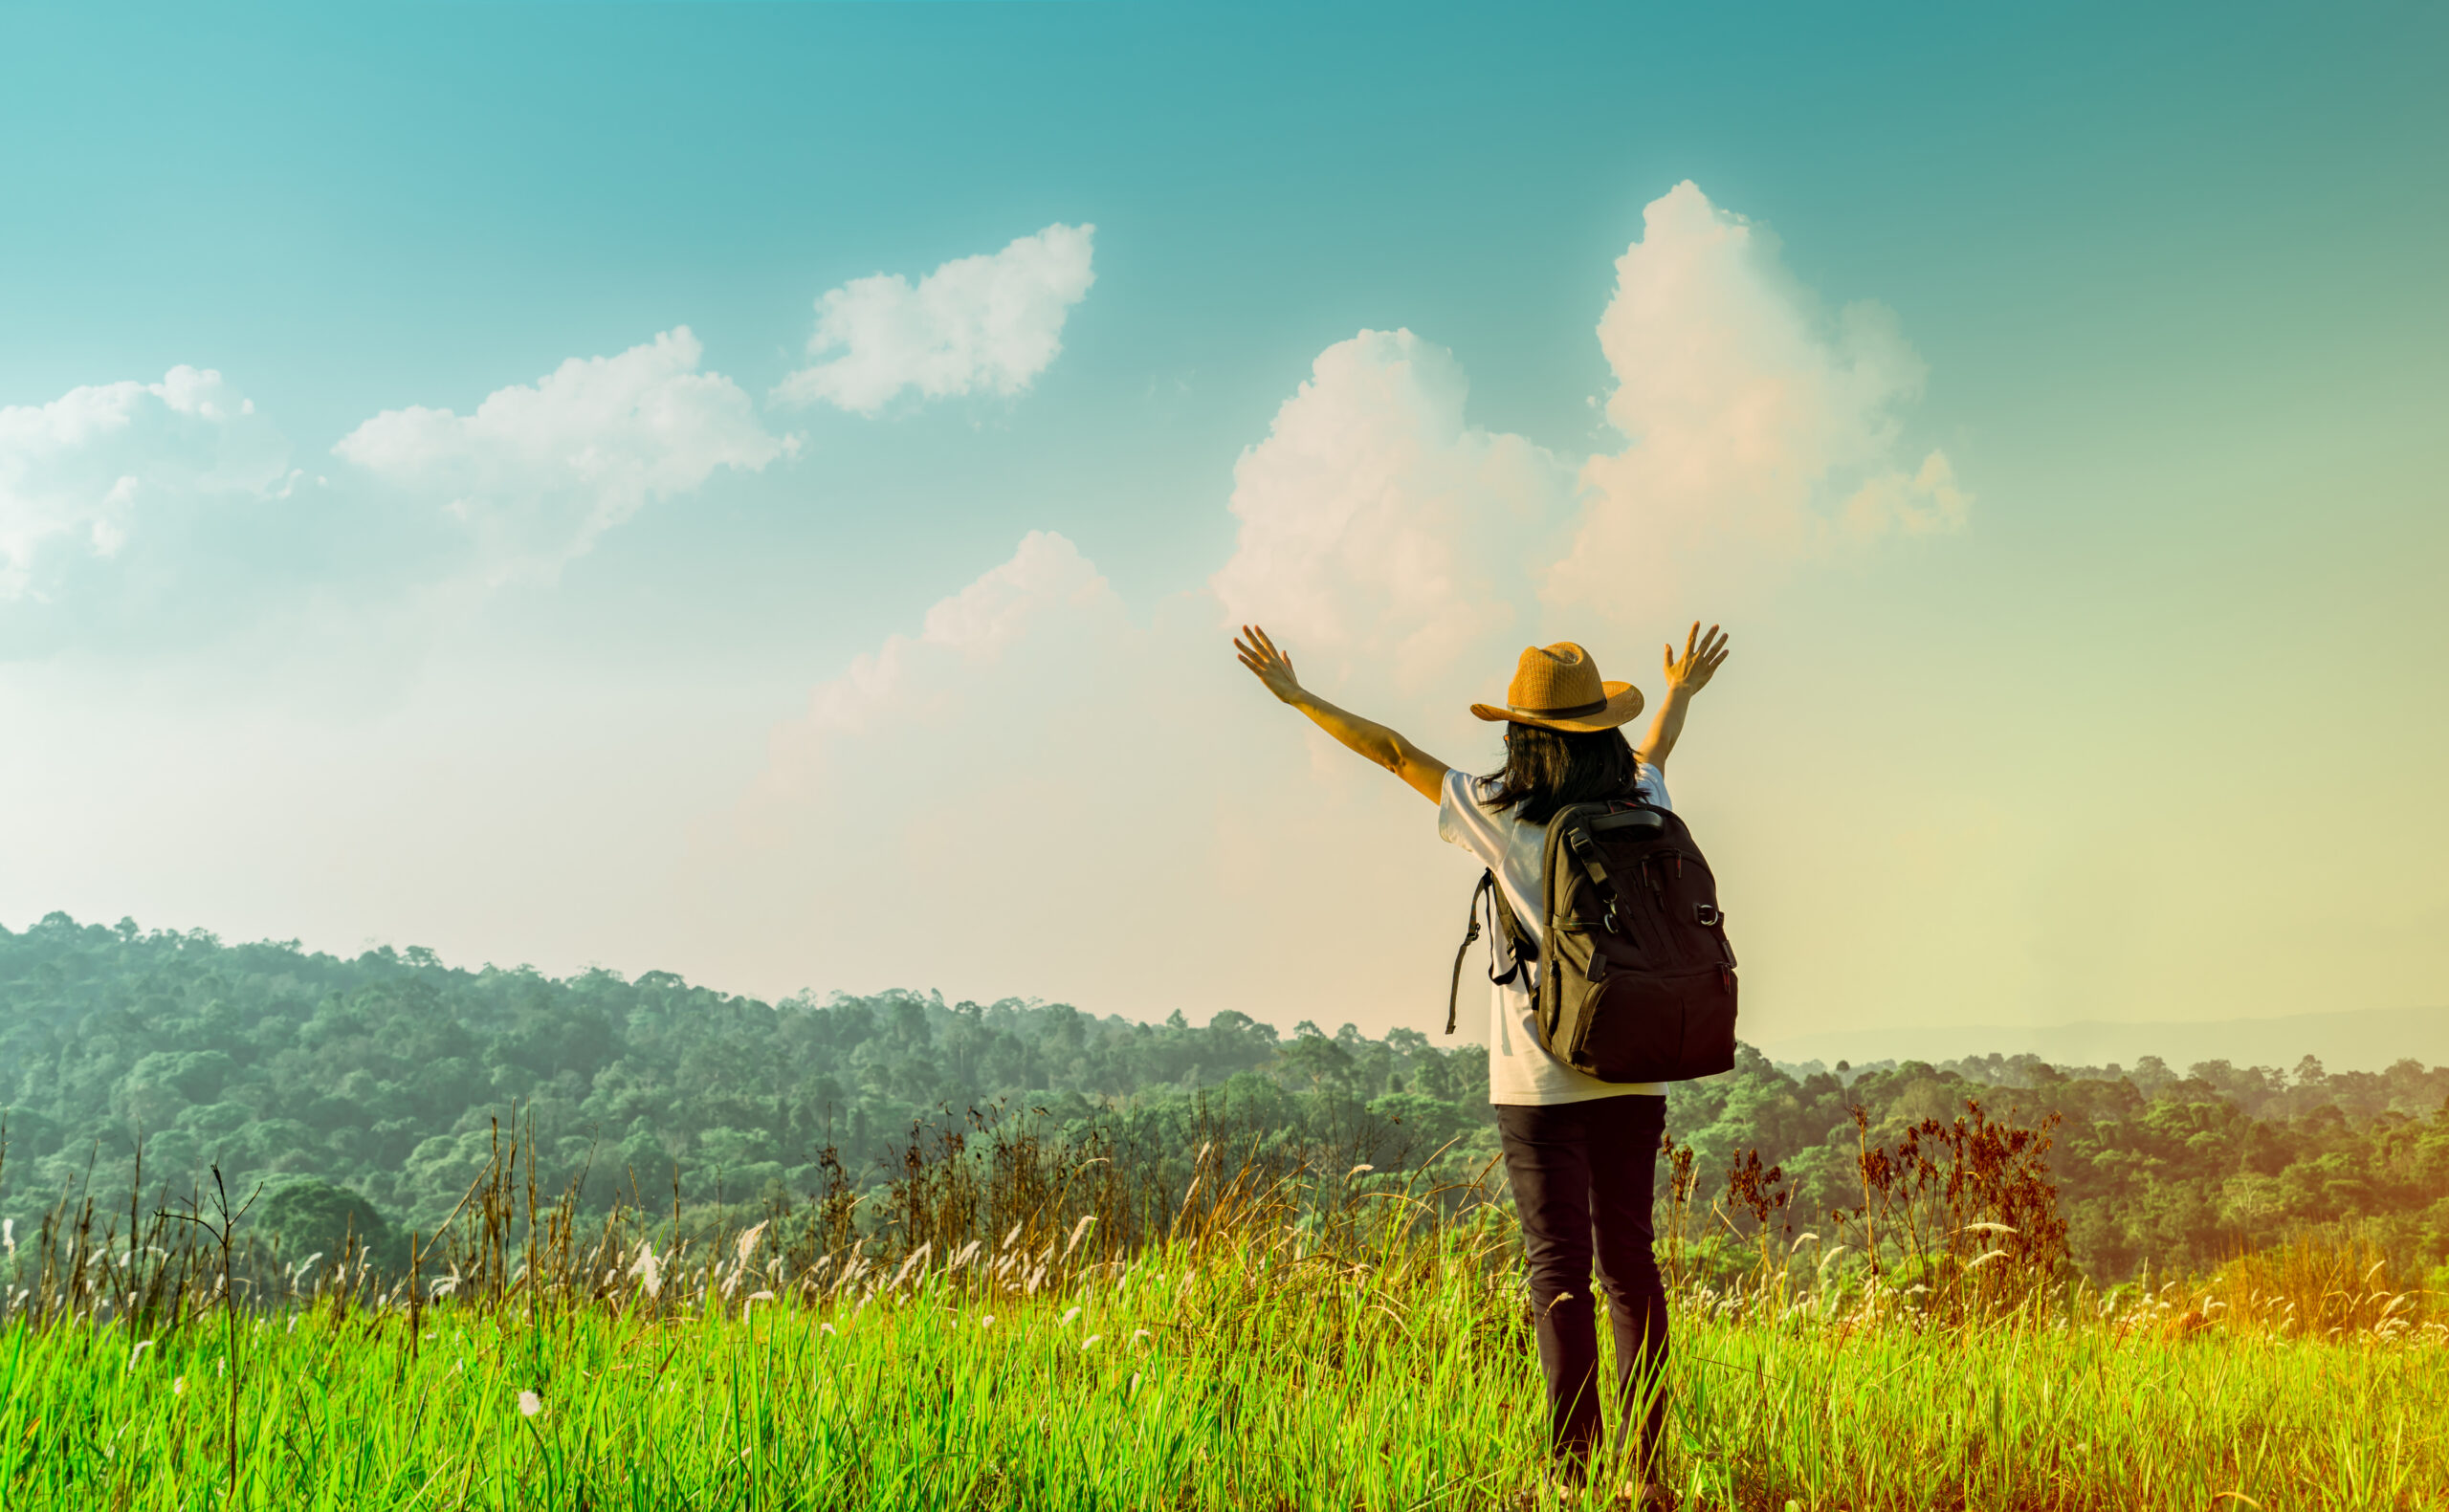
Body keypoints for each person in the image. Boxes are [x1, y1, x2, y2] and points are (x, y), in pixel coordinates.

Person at [1233, 623, 1731, 1503]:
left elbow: (1393, 751)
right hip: (1636, 1066)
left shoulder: (1496, 810)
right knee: (1632, 1267)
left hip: (1538, 1082)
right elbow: (1656, 746)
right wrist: (1681, 688)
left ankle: (1573, 1478)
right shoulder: (1641, 794)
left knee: (1557, 1272)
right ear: (1601, 727)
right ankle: (1648, 1475)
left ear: (1522, 733)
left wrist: (1298, 697)